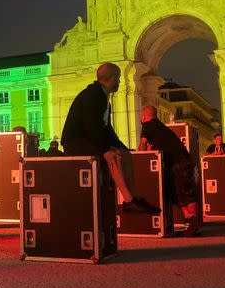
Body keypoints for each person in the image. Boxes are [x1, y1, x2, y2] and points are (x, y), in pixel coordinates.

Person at [61, 63, 159, 214]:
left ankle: (135, 198)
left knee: (124, 154)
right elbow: (91, 127)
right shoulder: (93, 95)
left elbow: (107, 129)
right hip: (75, 142)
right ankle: (128, 199)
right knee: (112, 155)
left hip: (88, 139)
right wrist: (105, 149)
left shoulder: (102, 96)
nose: (119, 81)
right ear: (111, 78)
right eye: (118, 78)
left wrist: (122, 146)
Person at [137, 106, 199, 235]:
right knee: (177, 192)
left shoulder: (147, 126)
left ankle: (194, 221)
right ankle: (190, 220)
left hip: (178, 162)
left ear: (144, 116)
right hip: (181, 161)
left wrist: (137, 159)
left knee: (185, 192)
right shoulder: (160, 127)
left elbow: (143, 146)